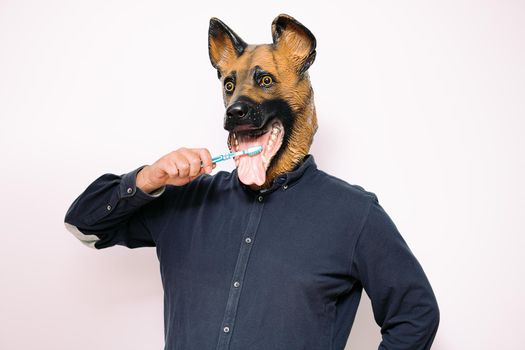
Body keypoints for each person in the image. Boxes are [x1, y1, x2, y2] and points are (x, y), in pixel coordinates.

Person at [64, 13, 439, 350]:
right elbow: (84, 224)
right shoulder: (182, 199)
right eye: (231, 86)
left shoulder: (354, 214)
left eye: (264, 81)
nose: (238, 102)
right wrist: (148, 178)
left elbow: (416, 314)